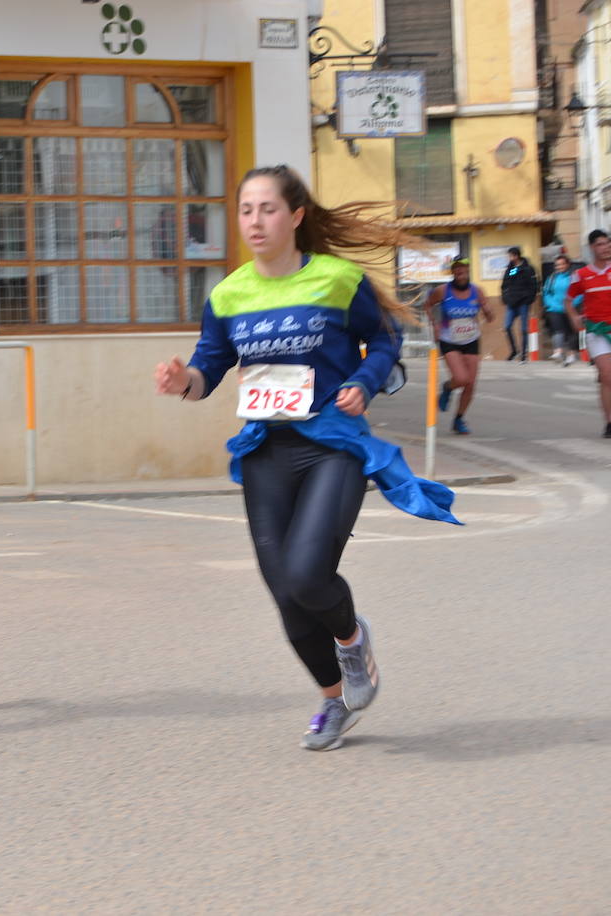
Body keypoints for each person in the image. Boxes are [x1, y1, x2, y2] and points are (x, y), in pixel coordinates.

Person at [154, 165, 459, 753]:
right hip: (266, 449)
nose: (255, 221)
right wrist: (181, 381)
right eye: (246, 210)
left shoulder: (338, 280)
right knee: (285, 595)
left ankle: (351, 640)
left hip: (333, 445)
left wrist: (366, 382)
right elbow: (207, 370)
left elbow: (386, 342)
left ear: (295, 216)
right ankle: (332, 700)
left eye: (267, 209)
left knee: (306, 574)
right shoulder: (228, 294)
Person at [566, 229, 611, 438]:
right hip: (597, 332)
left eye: (608, 244)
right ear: (592, 248)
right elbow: (568, 300)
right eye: (601, 244)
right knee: (607, 376)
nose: (606, 248)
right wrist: (573, 317)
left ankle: (604, 373)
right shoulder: (581, 275)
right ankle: (609, 423)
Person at [426, 257, 494, 434]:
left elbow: (491, 317)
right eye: (456, 268)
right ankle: (448, 387)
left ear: (468, 269)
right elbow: (427, 305)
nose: (460, 271)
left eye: (463, 268)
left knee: (470, 384)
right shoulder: (442, 291)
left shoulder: (477, 291)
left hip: (471, 339)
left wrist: (487, 310)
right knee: (461, 378)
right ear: (453, 272)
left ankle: (459, 419)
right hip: (449, 340)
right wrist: (435, 325)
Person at [541, 254, 582, 366]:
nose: (560, 266)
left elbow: (580, 293)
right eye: (557, 265)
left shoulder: (574, 277)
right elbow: (546, 293)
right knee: (557, 329)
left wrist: (572, 304)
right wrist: (550, 303)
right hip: (555, 308)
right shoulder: (552, 278)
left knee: (570, 332)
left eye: (562, 264)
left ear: (568, 264)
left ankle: (570, 355)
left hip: (570, 308)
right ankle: (557, 352)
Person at [501, 246, 540, 361]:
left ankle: (523, 354)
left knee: (523, 329)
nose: (509, 258)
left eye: (511, 255)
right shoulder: (511, 269)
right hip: (511, 303)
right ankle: (514, 351)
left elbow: (534, 285)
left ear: (516, 256)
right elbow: (505, 284)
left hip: (524, 302)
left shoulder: (528, 268)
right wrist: (505, 297)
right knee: (507, 327)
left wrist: (529, 299)